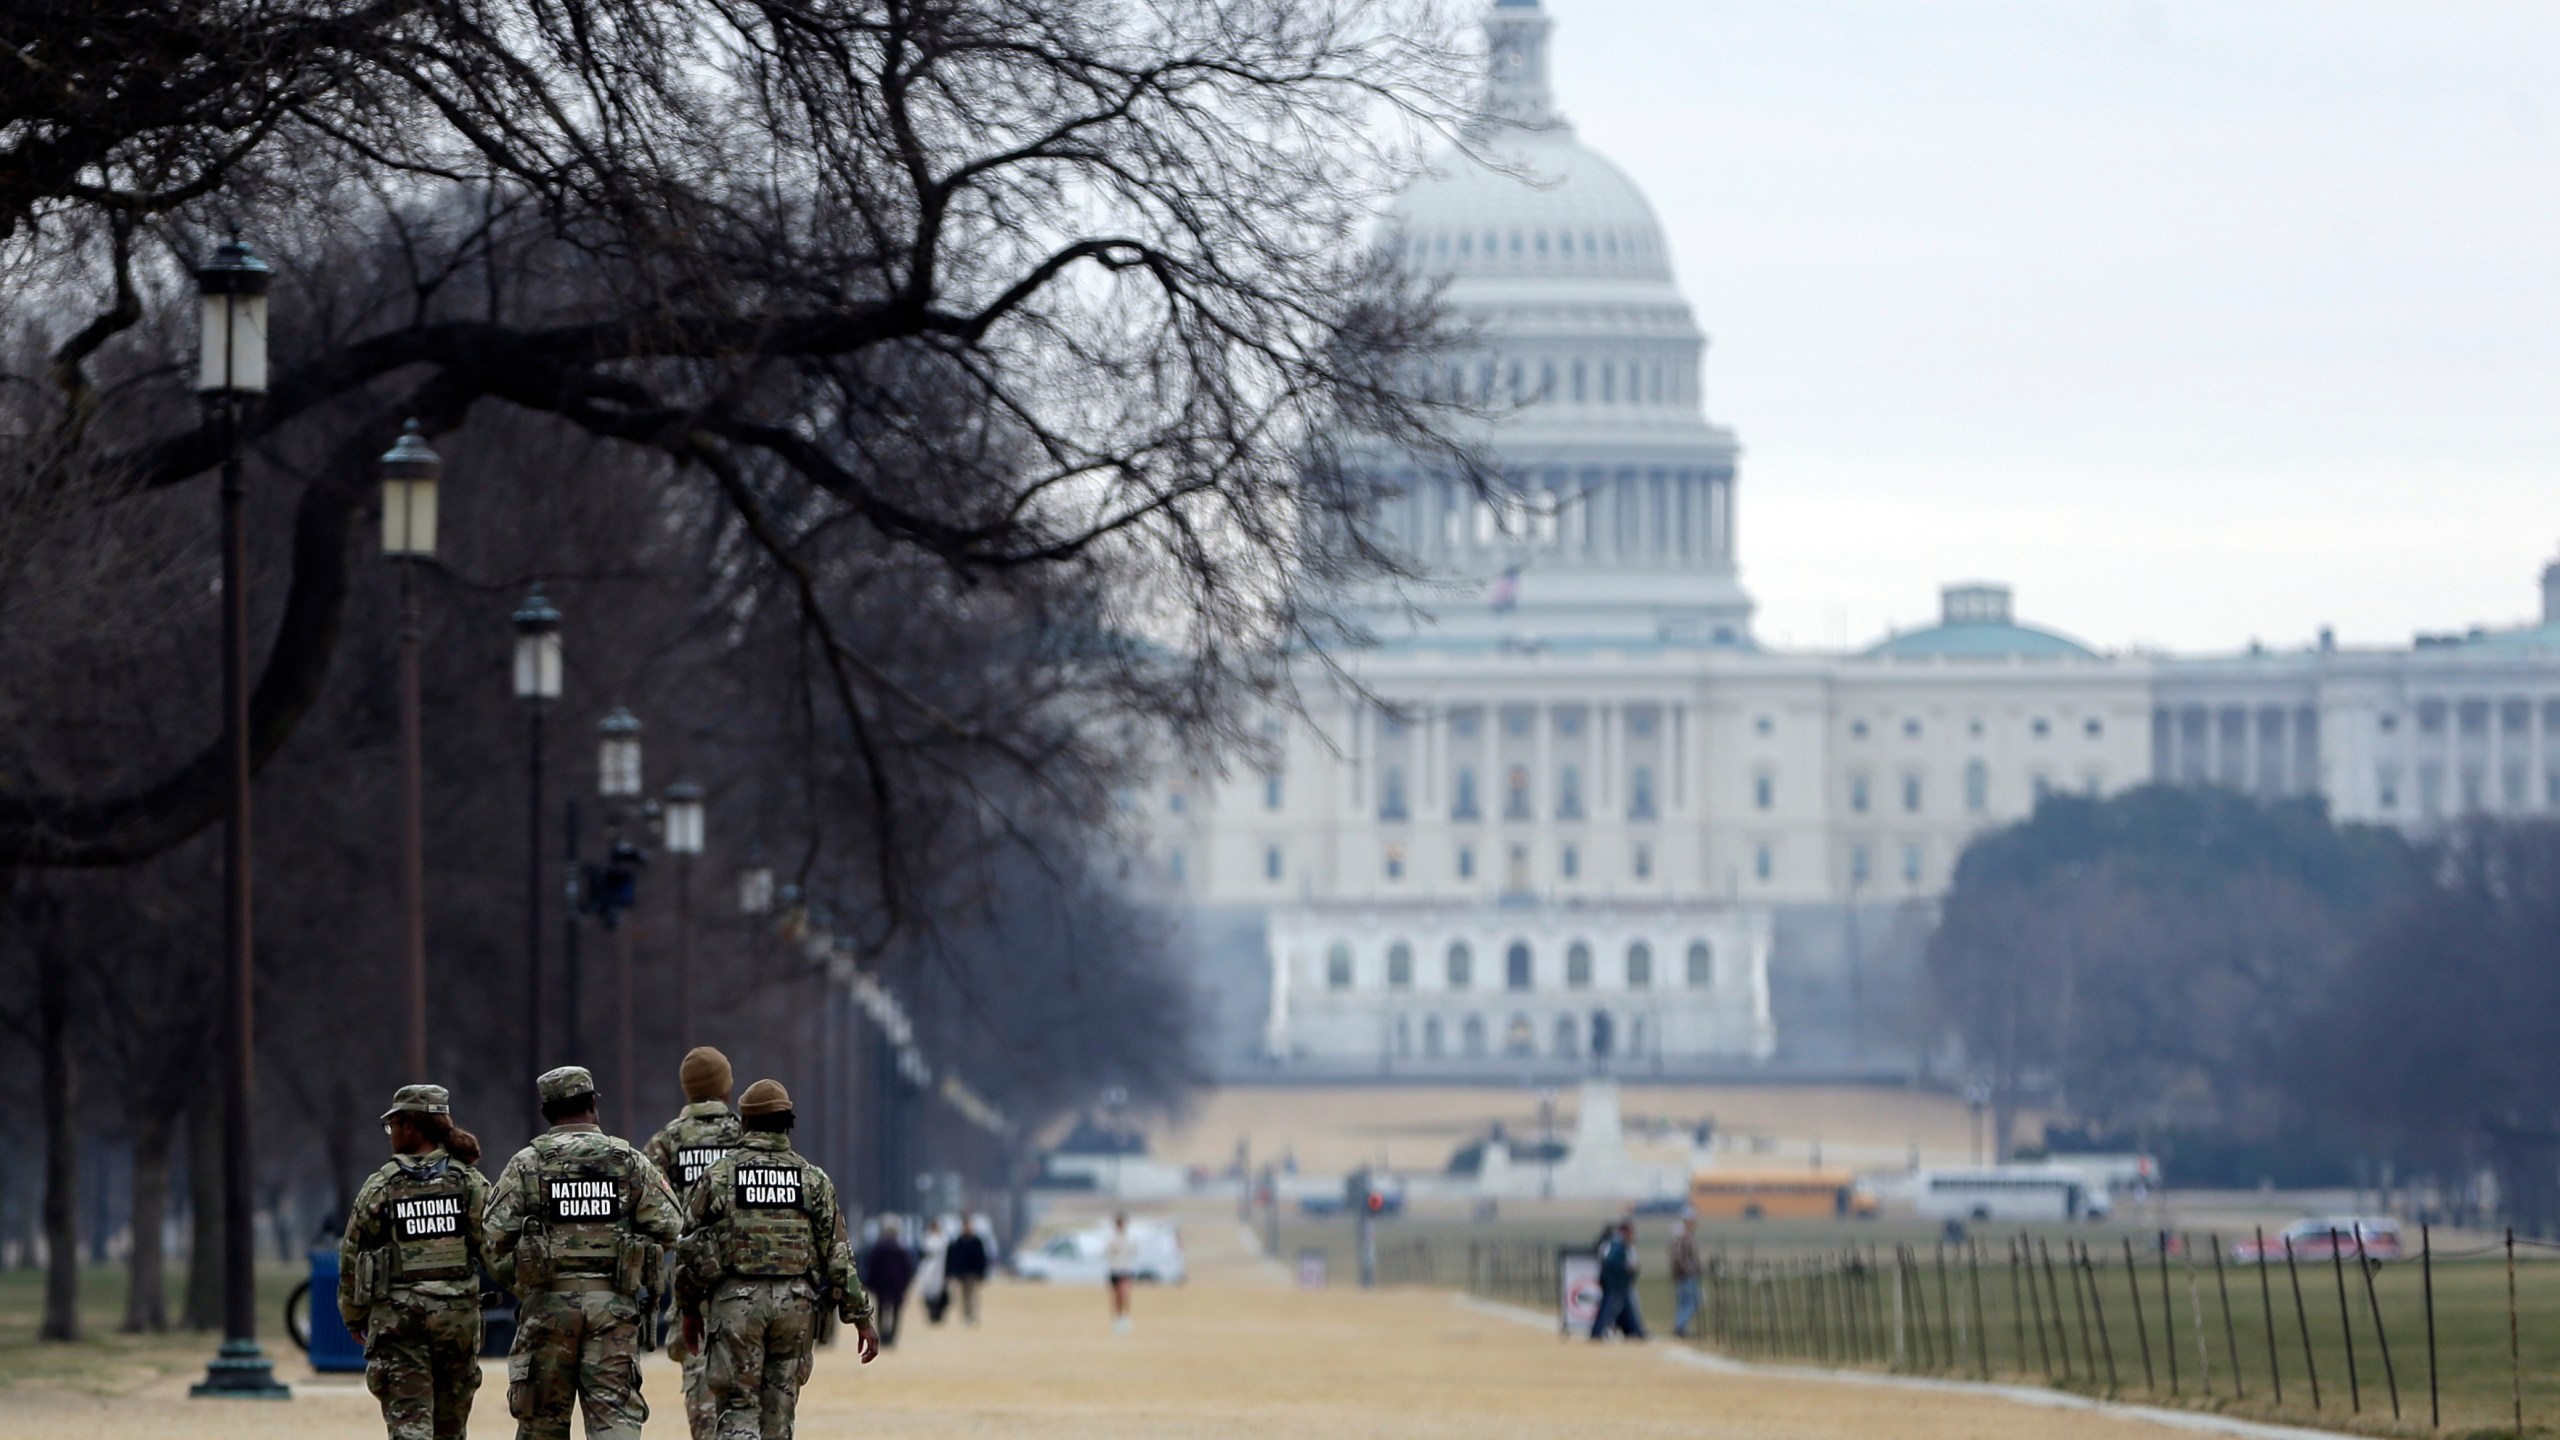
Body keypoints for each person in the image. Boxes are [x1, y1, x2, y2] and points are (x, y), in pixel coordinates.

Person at [485, 1065, 684, 1440]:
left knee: (542, 1424)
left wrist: (524, 1279)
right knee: (615, 1424)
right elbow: (673, 1225)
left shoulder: (527, 1164)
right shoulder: (628, 1162)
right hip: (613, 1307)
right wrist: (637, 1254)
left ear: (548, 1112)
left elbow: (493, 1237)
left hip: (547, 1308)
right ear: (592, 1104)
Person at [675, 1079, 877, 1440]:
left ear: (745, 1123)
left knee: (738, 1407)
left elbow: (690, 1248)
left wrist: (688, 1308)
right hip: (796, 1306)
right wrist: (861, 1318)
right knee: (779, 1413)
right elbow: (838, 1255)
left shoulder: (720, 1176)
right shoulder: (812, 1180)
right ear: (787, 1124)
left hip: (736, 1305)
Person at [339, 1084, 493, 1440]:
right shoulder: (469, 1182)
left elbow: (352, 1258)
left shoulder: (381, 1186)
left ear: (410, 1126)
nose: (391, 1135)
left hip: (399, 1321)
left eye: (393, 1126)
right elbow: (494, 1246)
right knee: (451, 1429)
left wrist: (354, 1316)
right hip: (457, 1321)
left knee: (410, 1426)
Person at [642, 1047, 746, 1440]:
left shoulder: (667, 1141)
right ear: (726, 1085)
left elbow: (645, 1205)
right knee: (747, 1387)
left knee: (701, 1385)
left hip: (691, 1281)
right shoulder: (745, 1135)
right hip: (744, 1278)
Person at [859, 1217, 916, 1347]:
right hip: (896, 1286)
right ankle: (892, 1337)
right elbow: (907, 1270)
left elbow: (871, 1267)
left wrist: (869, 1284)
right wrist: (905, 1285)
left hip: (881, 1285)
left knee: (880, 1310)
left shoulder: (878, 1249)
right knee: (896, 1312)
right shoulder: (902, 1250)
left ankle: (882, 1336)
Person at [1590, 1218, 1647, 1341]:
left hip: (1618, 1282)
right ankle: (1597, 1332)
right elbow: (1611, 1262)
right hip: (1615, 1283)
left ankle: (1636, 1331)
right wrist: (1626, 1268)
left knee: (1627, 1307)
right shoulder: (1618, 1245)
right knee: (1608, 1307)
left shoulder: (1613, 1243)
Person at [945, 1218, 990, 1326]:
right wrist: (954, 1272)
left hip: (973, 1272)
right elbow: (955, 1258)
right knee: (964, 1295)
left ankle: (974, 1315)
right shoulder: (959, 1241)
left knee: (973, 1294)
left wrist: (982, 1273)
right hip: (962, 1273)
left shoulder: (977, 1241)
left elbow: (982, 1258)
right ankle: (966, 1316)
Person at [1668, 1214, 1703, 1339]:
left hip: (1681, 1275)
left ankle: (1681, 1326)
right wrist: (1692, 1270)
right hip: (1687, 1275)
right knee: (1693, 1301)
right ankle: (1680, 1325)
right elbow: (1682, 1259)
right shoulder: (1684, 1238)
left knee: (1684, 1302)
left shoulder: (1677, 1239)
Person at [1103, 1213, 1137, 1334]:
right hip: (1114, 1270)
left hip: (1126, 1270)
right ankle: (1117, 1319)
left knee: (1124, 1294)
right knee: (1116, 1297)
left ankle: (1125, 1319)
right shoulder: (1112, 1238)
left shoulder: (1130, 1238)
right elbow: (1106, 1251)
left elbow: (1134, 1251)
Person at [915, 1217, 950, 1325]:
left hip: (940, 1269)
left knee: (940, 1294)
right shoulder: (926, 1238)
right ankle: (931, 1313)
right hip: (928, 1269)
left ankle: (938, 1314)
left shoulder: (943, 1238)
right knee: (927, 1293)